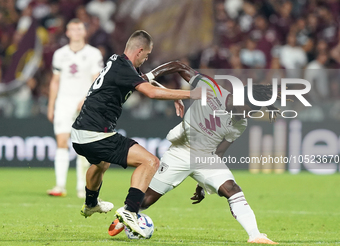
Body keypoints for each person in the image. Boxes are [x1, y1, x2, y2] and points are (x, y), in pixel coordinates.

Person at [108, 62, 279, 244]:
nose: (248, 115)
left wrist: (204, 184)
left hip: (206, 157)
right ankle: (125, 215)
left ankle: (255, 235)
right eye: (249, 110)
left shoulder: (240, 125)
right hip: (180, 152)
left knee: (233, 190)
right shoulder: (212, 89)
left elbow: (219, 152)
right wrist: (150, 76)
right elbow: (179, 65)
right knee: (146, 200)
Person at [70, 30, 206, 238]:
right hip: (96, 133)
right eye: (147, 55)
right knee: (150, 162)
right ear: (140, 50)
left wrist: (172, 97)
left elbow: (143, 79)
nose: (147, 58)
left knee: (100, 163)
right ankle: (130, 211)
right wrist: (191, 94)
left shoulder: (117, 61)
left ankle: (90, 204)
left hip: (80, 133)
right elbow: (150, 92)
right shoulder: (124, 67)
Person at [47, 18, 103, 198]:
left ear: (84, 32)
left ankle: (82, 187)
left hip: (84, 103)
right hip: (63, 102)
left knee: (83, 146)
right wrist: (51, 105)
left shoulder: (93, 54)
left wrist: (88, 99)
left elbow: (97, 80)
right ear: (67, 32)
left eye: (80, 29)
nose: (76, 32)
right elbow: (55, 81)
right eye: (73, 29)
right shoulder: (60, 54)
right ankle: (60, 186)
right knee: (61, 142)